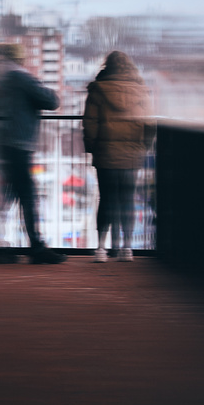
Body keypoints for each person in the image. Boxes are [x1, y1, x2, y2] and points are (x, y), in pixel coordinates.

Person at [0, 43, 64, 264]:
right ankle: (36, 247)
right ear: (20, 58)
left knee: (9, 195)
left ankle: (1, 246)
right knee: (28, 196)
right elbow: (51, 101)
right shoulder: (20, 77)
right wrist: (37, 83)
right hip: (19, 143)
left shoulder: (0, 77)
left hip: (5, 143)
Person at [83, 50, 154, 262]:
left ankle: (101, 249)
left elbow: (90, 124)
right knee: (127, 200)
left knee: (106, 199)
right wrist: (143, 147)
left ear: (107, 66)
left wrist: (92, 147)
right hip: (132, 153)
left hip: (106, 152)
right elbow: (150, 124)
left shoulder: (98, 90)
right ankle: (126, 248)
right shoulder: (140, 91)